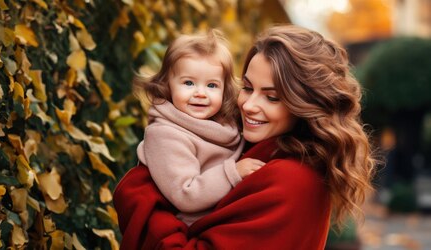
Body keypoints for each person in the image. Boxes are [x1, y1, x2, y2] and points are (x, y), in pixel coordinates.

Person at [113, 25, 377, 249]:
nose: (249, 105)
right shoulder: (253, 147)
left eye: (271, 97)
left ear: (305, 105)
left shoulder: (293, 181)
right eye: (247, 87)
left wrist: (139, 195)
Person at [132, 30, 265, 226]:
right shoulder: (166, 135)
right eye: (188, 83)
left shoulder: (224, 126)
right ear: (167, 86)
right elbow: (185, 194)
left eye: (212, 85)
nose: (200, 93)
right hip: (188, 229)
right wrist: (233, 172)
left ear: (225, 90)